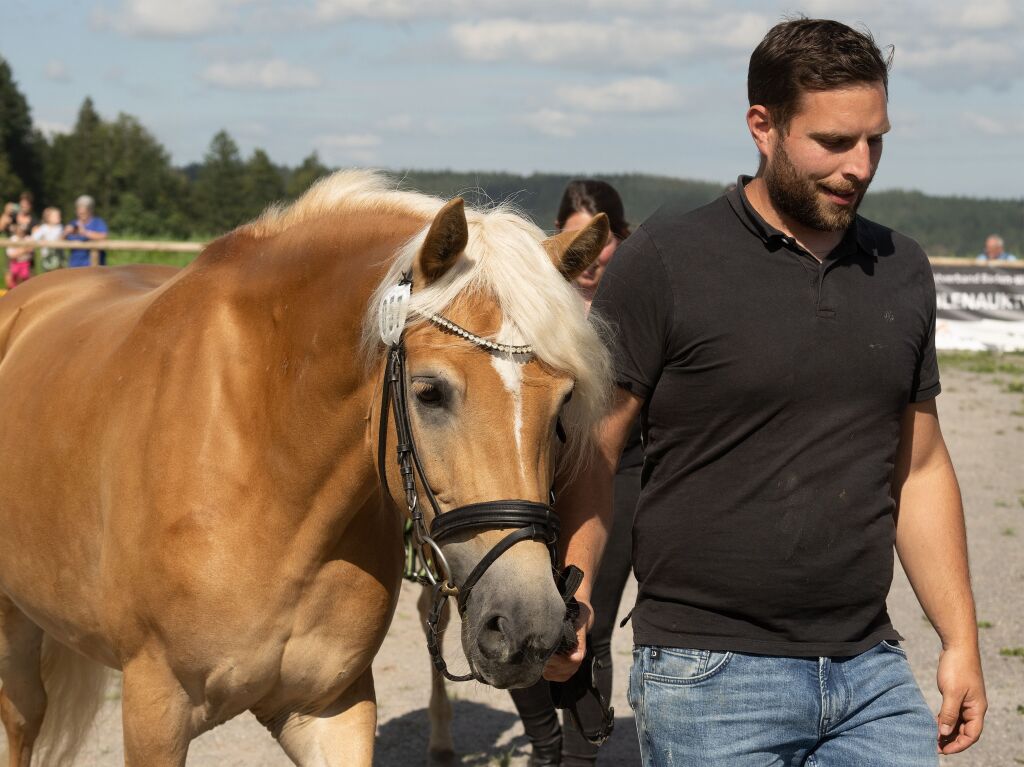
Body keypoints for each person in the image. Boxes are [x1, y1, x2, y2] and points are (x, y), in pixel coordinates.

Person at [546, 18, 986, 767]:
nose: (860, 166)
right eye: (834, 142)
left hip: (870, 672)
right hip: (709, 673)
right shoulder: (665, 261)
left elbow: (918, 467)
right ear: (763, 126)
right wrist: (574, 593)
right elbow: (594, 453)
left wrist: (961, 640)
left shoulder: (903, 269)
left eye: (875, 140)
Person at [510, 180, 635, 767]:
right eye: (581, 253)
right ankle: (545, 743)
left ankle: (583, 759)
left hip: (620, 471)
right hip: (539, 475)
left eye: (603, 255)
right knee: (518, 620)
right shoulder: (530, 308)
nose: (591, 268)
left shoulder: (635, 307)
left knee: (594, 624)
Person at [64, 195, 108, 267]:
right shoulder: (72, 223)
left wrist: (85, 232)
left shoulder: (98, 222)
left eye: (83, 213)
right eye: (79, 212)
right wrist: (65, 233)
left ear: (90, 211)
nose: (80, 215)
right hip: (74, 266)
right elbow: (60, 240)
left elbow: (104, 237)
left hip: (94, 267)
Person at [5, 210, 35, 288]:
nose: (21, 230)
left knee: (25, 278)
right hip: (15, 263)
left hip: (25, 263)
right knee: (11, 278)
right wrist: (23, 250)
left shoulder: (28, 238)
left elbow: (31, 250)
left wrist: (21, 251)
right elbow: (11, 254)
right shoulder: (13, 239)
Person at [32, 206, 66, 271]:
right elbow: (35, 237)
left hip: (57, 255)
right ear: (48, 218)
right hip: (47, 255)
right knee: (48, 272)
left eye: (59, 216)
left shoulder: (59, 227)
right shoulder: (44, 228)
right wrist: (41, 241)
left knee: (58, 271)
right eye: (57, 216)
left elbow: (59, 238)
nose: (59, 218)